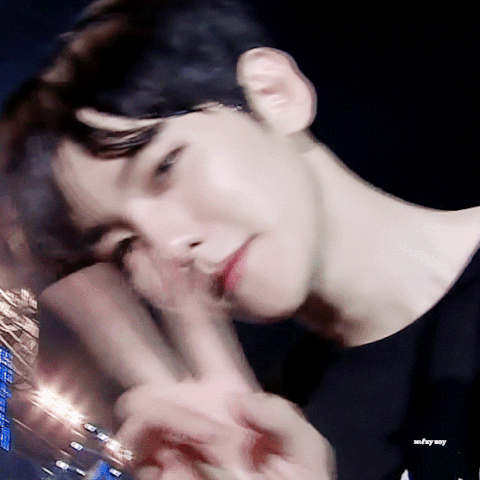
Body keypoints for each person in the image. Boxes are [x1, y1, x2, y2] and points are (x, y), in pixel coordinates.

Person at [1, 0, 480, 479]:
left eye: (165, 166)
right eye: (126, 247)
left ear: (273, 92)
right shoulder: (281, 432)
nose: (168, 246)